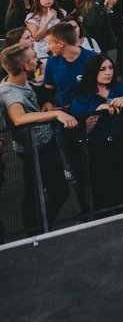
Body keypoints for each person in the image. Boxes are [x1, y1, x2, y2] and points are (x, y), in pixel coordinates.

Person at [0, 41, 77, 233]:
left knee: (41, 192)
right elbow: (18, 118)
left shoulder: (19, 82)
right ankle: (36, 231)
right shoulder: (10, 92)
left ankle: (39, 227)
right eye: (34, 57)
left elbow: (33, 95)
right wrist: (56, 114)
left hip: (43, 143)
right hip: (35, 149)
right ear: (26, 66)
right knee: (50, 192)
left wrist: (48, 106)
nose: (37, 59)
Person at [70, 54, 123, 216]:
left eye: (111, 68)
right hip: (97, 150)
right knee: (101, 194)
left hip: (122, 145)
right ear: (92, 72)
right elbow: (84, 130)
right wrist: (98, 110)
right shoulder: (82, 98)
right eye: (102, 69)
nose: (108, 72)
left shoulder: (121, 88)